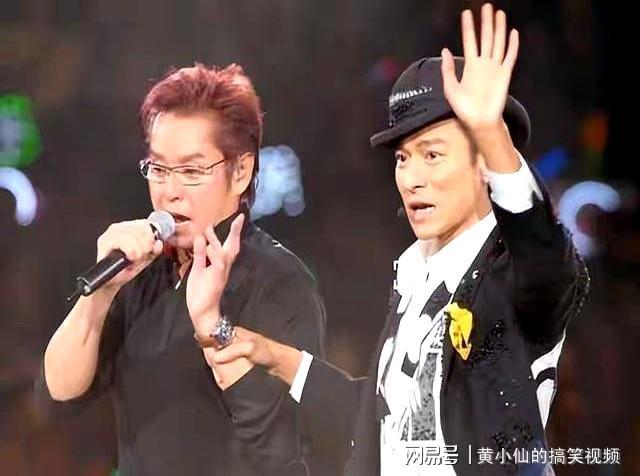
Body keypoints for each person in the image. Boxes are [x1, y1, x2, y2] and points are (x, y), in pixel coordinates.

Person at [206, 4, 589, 475]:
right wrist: (279, 359)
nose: (411, 178)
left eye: (432, 155)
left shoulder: (510, 273)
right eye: (403, 158)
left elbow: (546, 261)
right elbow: (394, 426)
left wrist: (492, 136)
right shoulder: (414, 275)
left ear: (483, 166)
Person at [35, 64, 326, 476]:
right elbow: (58, 395)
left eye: (191, 171)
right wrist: (100, 297)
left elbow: (287, 442)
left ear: (240, 171)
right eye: (158, 169)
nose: (169, 192)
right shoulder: (140, 271)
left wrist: (212, 326)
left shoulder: (280, 280)